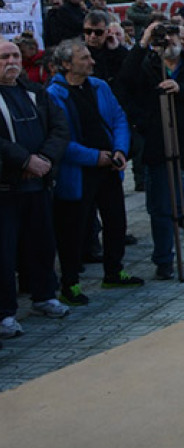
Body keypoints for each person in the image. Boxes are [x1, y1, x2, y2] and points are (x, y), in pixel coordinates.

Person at [118, 20, 184, 279]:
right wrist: (143, 42)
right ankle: (164, 258)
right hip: (159, 141)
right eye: (164, 37)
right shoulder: (148, 66)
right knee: (161, 205)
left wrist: (181, 90)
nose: (170, 41)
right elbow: (125, 81)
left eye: (174, 36)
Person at [46, 39, 144, 306]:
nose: (91, 61)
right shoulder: (54, 95)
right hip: (78, 173)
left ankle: (113, 271)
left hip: (109, 167)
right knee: (74, 229)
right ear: (66, 64)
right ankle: (70, 284)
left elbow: (119, 119)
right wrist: (94, 158)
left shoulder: (100, 86)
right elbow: (61, 138)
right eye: (84, 58)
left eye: (90, 56)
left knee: (116, 221)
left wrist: (120, 150)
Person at [0, 39, 72, 339]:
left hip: (38, 185)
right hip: (6, 189)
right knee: (4, 254)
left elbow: (60, 128)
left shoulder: (35, 91)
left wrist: (44, 159)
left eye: (15, 55)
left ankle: (45, 296)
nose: (11, 61)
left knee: (42, 243)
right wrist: (24, 160)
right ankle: (4, 313)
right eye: (4, 57)